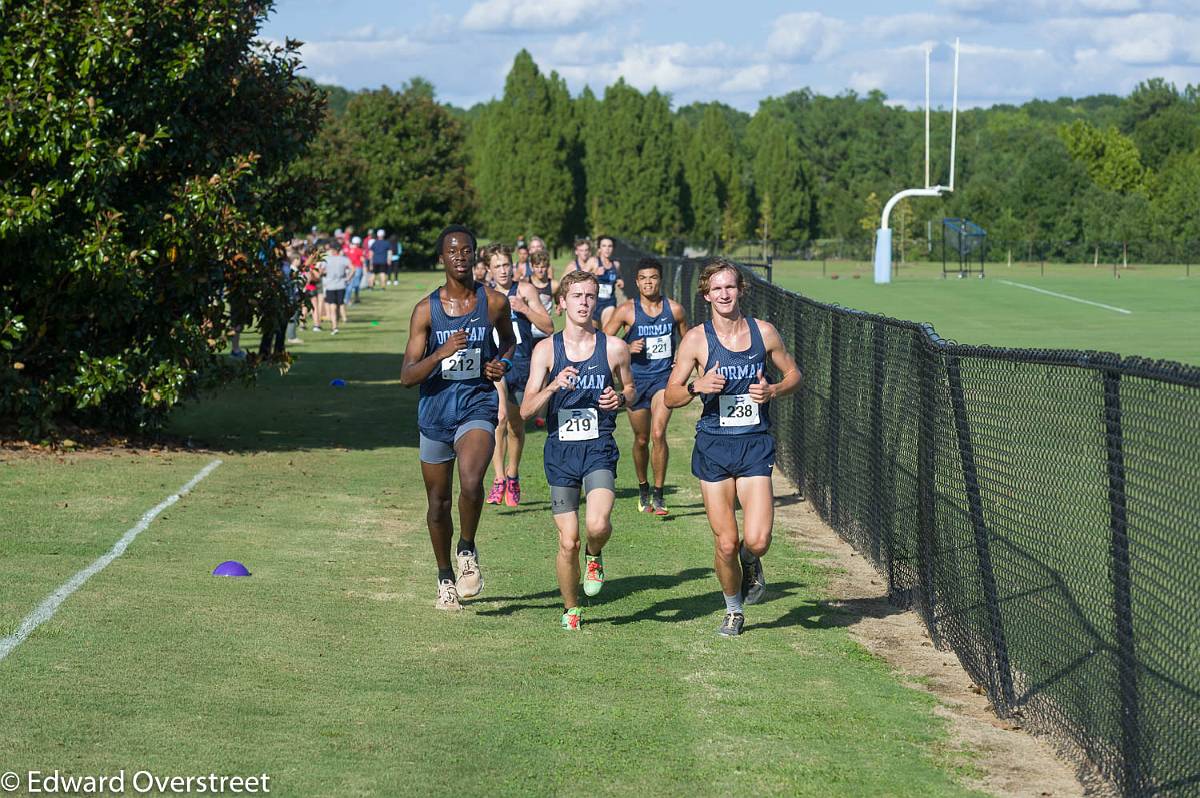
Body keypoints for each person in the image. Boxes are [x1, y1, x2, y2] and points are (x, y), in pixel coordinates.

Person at [664, 259, 803, 637]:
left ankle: (751, 562)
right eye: (716, 289)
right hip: (714, 447)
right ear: (706, 295)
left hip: (754, 445)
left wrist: (773, 389)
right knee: (725, 542)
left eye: (730, 287)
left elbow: (794, 375)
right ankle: (733, 609)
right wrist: (698, 387)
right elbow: (670, 395)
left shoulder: (764, 333)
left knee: (756, 539)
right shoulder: (696, 339)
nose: (724, 295)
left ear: (741, 290)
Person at [401, 225, 516, 610]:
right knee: (437, 504)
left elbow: (510, 341)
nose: (460, 257)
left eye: (467, 250)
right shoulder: (425, 311)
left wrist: (500, 363)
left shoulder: (495, 303)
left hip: (476, 406)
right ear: (442, 259)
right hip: (435, 413)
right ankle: (444, 577)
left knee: (471, 480)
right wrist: (441, 352)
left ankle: (466, 548)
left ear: (475, 255)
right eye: (453, 251)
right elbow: (407, 376)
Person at [521, 269, 635, 630]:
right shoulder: (545, 350)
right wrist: (553, 386)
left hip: (599, 447)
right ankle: (572, 608)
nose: (585, 303)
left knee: (597, 524)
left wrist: (620, 397)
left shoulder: (613, 348)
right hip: (561, 453)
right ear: (561, 303)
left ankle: (596, 554)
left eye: (590, 296)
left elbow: (631, 391)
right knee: (568, 540)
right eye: (577, 296)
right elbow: (525, 411)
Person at [603, 257, 688, 514]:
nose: (648, 282)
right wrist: (627, 348)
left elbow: (690, 339)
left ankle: (659, 494)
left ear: (660, 280)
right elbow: (603, 342)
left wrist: (679, 360)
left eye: (653, 278)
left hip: (664, 380)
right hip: (635, 382)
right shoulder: (627, 310)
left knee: (658, 433)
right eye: (643, 279)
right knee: (641, 439)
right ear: (637, 282)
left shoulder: (674, 310)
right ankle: (643, 486)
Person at [483, 244, 554, 507]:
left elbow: (548, 326)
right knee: (498, 418)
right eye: (497, 266)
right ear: (489, 270)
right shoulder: (484, 294)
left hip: (522, 363)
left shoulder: (524, 290)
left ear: (513, 266)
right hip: (495, 365)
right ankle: (499, 478)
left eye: (506, 265)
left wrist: (524, 309)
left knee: (516, 425)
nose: (503, 271)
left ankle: (513, 474)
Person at [527, 250, 558, 429]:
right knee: (530, 373)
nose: (540, 270)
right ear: (532, 267)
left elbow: (559, 298)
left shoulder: (552, 285)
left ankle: (540, 415)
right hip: (528, 333)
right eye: (537, 267)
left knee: (545, 374)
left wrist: (560, 306)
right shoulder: (526, 285)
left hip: (544, 334)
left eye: (543, 267)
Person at [591, 235, 624, 328]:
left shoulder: (616, 264)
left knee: (607, 331)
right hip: (593, 302)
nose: (607, 249)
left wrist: (619, 280)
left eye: (610, 246)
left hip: (609, 302)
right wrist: (594, 273)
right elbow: (579, 277)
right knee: (593, 334)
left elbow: (617, 276)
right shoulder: (593, 262)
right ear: (599, 248)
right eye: (604, 246)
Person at [321, 240, 352, 335]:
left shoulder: (327, 259)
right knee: (339, 305)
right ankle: (336, 325)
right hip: (341, 285)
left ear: (333, 250)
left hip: (330, 286)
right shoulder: (344, 259)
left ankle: (334, 327)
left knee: (332, 306)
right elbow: (353, 268)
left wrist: (325, 274)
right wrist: (348, 278)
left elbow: (321, 271)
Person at [345, 235, 366, 306]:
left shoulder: (348, 250)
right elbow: (362, 260)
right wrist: (365, 267)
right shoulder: (360, 250)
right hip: (357, 268)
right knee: (354, 285)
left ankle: (353, 298)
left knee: (349, 284)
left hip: (349, 268)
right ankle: (347, 299)